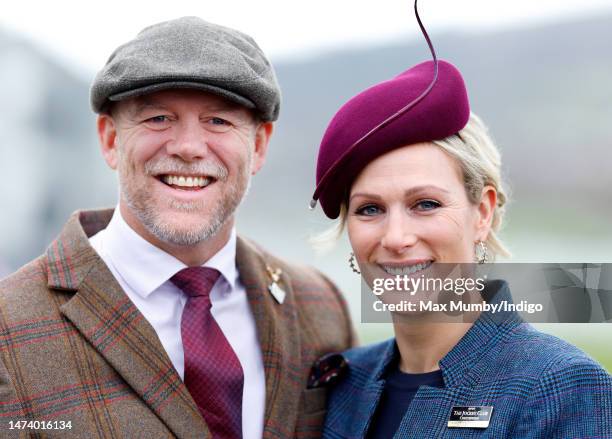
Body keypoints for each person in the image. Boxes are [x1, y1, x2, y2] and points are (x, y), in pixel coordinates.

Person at [0, 17, 355, 438]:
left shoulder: (321, 307)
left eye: (218, 121)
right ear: (111, 139)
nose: (188, 147)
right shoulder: (9, 329)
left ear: (258, 146)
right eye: (159, 119)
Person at [311, 59, 612, 438]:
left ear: (482, 212)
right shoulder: (342, 384)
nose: (396, 238)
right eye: (370, 209)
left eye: (425, 204)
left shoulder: (559, 386)